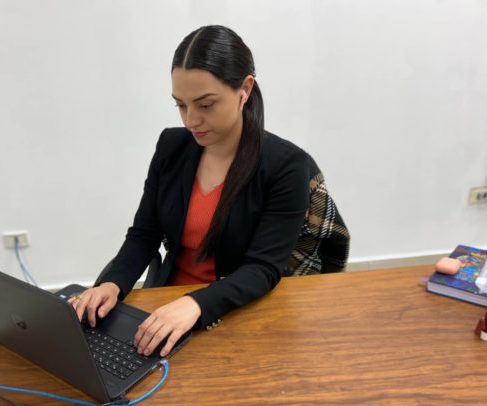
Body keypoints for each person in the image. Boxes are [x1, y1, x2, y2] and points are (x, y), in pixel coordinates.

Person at [70, 25, 349, 359]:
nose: (190, 121)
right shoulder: (171, 147)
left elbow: (263, 268)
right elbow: (144, 234)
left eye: (205, 105)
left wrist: (195, 304)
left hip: (233, 308)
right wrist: (111, 284)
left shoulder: (286, 166)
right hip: (166, 305)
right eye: (181, 105)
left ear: (245, 89)